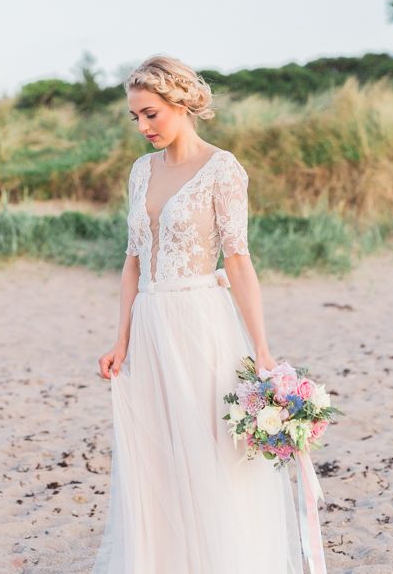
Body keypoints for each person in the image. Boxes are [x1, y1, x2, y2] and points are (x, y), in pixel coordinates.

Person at [93, 55, 305, 573]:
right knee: (158, 455)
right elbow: (131, 264)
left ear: (181, 103)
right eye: (135, 118)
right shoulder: (140, 172)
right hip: (149, 326)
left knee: (210, 451)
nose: (142, 127)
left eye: (151, 114)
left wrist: (261, 349)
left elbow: (238, 262)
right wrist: (120, 340)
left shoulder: (223, 169)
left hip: (201, 323)